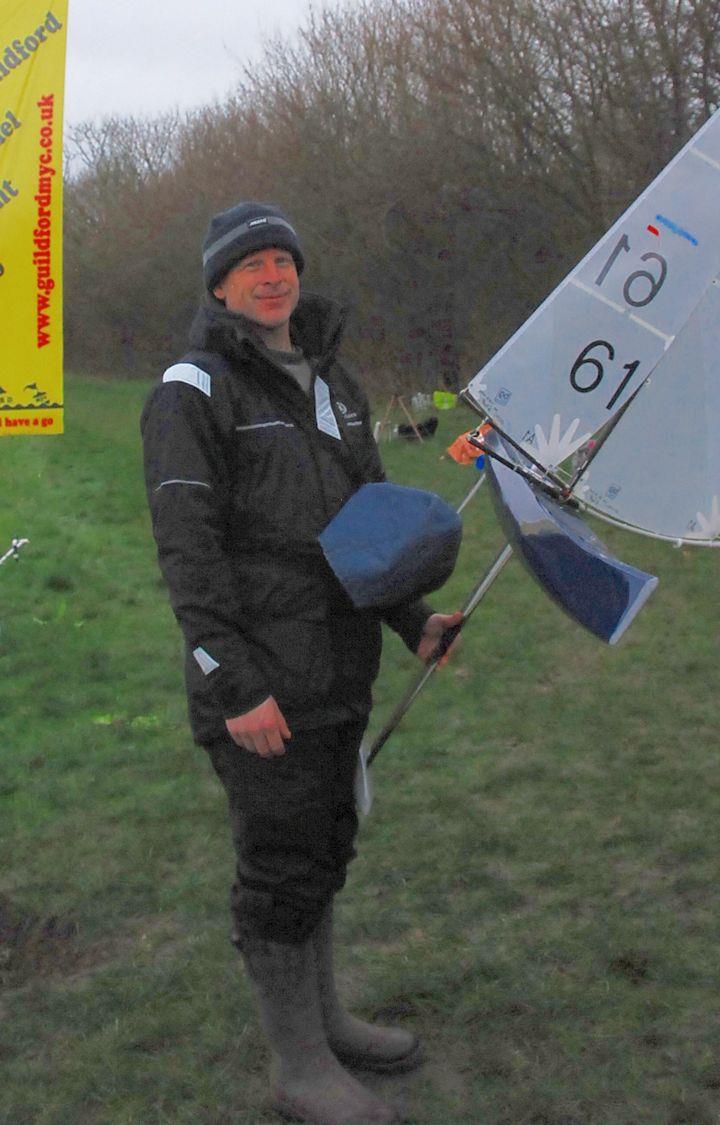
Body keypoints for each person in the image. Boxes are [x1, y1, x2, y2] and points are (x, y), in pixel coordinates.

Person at [141, 201, 461, 1125]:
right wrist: (232, 683)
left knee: (325, 845)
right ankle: (298, 1066)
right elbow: (187, 553)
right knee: (280, 864)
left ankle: (327, 1023)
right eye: (252, 265)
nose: (273, 275)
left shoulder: (336, 382)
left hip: (339, 665)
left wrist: (411, 620)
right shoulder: (192, 388)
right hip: (261, 681)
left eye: (284, 259)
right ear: (219, 286)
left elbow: (371, 529)